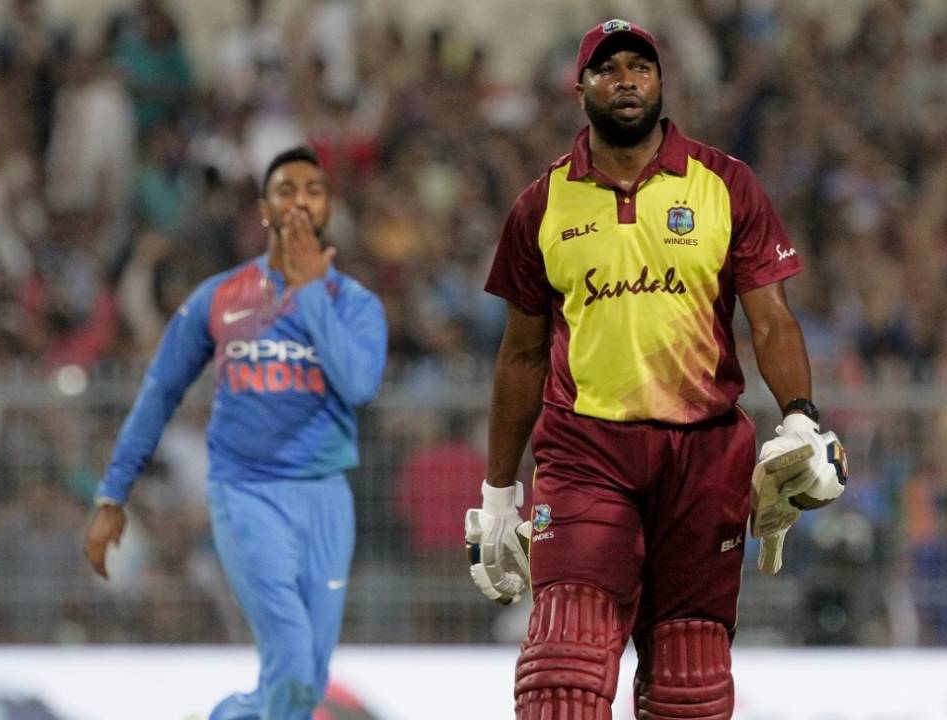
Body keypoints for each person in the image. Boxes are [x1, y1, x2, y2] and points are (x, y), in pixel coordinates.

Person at [464, 19, 848, 720]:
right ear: (579, 89)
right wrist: (497, 495)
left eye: (640, 67)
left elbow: (771, 319)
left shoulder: (726, 185)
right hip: (586, 454)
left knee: (689, 689)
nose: (626, 80)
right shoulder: (541, 205)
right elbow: (520, 354)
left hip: (704, 459)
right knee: (563, 677)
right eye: (607, 70)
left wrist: (800, 414)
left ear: (662, 82)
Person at [82, 146, 387, 720]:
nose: (299, 201)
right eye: (285, 190)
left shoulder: (355, 304)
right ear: (264, 210)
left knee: (303, 679)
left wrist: (312, 293)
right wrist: (112, 495)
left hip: (324, 496)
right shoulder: (219, 297)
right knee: (293, 666)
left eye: (313, 191)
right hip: (245, 492)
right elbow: (159, 393)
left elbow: (358, 385)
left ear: (328, 209)